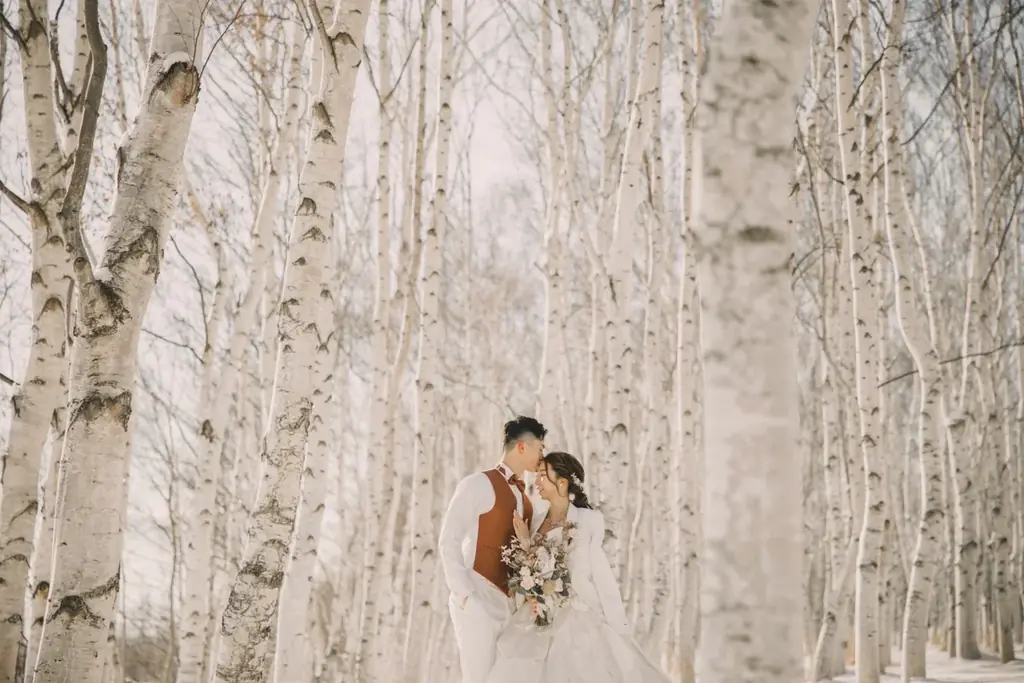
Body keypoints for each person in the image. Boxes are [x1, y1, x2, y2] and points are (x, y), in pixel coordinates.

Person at [484, 451, 671, 683]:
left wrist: (617, 622)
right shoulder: (535, 519)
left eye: (543, 476)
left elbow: (600, 573)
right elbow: (529, 567)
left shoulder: (588, 520)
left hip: (577, 612)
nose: (537, 481)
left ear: (562, 483)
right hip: (538, 615)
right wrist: (526, 549)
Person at [438, 416, 548, 683]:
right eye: (540, 447)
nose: (543, 455)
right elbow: (448, 539)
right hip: (478, 599)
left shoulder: (527, 500)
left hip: (511, 609)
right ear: (522, 447)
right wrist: (465, 597)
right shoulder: (477, 484)